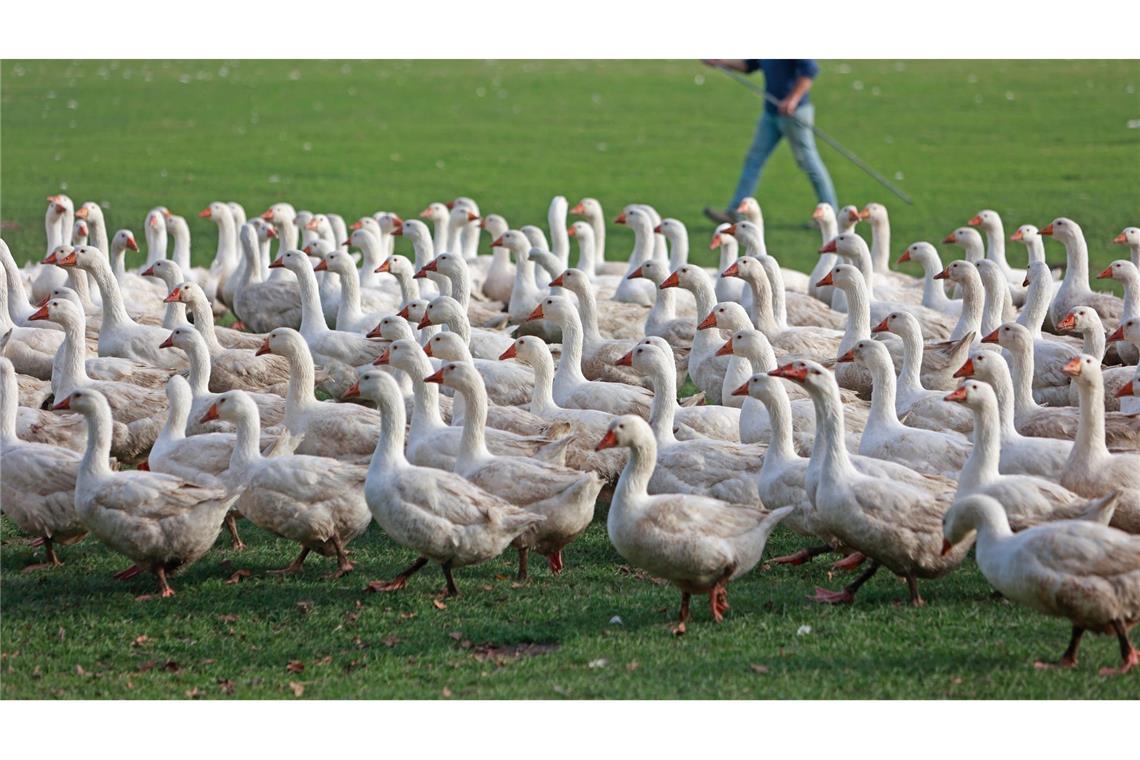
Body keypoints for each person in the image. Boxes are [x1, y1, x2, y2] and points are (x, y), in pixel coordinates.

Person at [701, 59, 839, 224]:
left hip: (795, 114)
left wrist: (792, 99)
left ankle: (830, 216)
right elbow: (749, 65)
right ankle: (735, 212)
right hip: (771, 114)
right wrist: (719, 61)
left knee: (809, 163)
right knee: (754, 159)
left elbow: (810, 70)